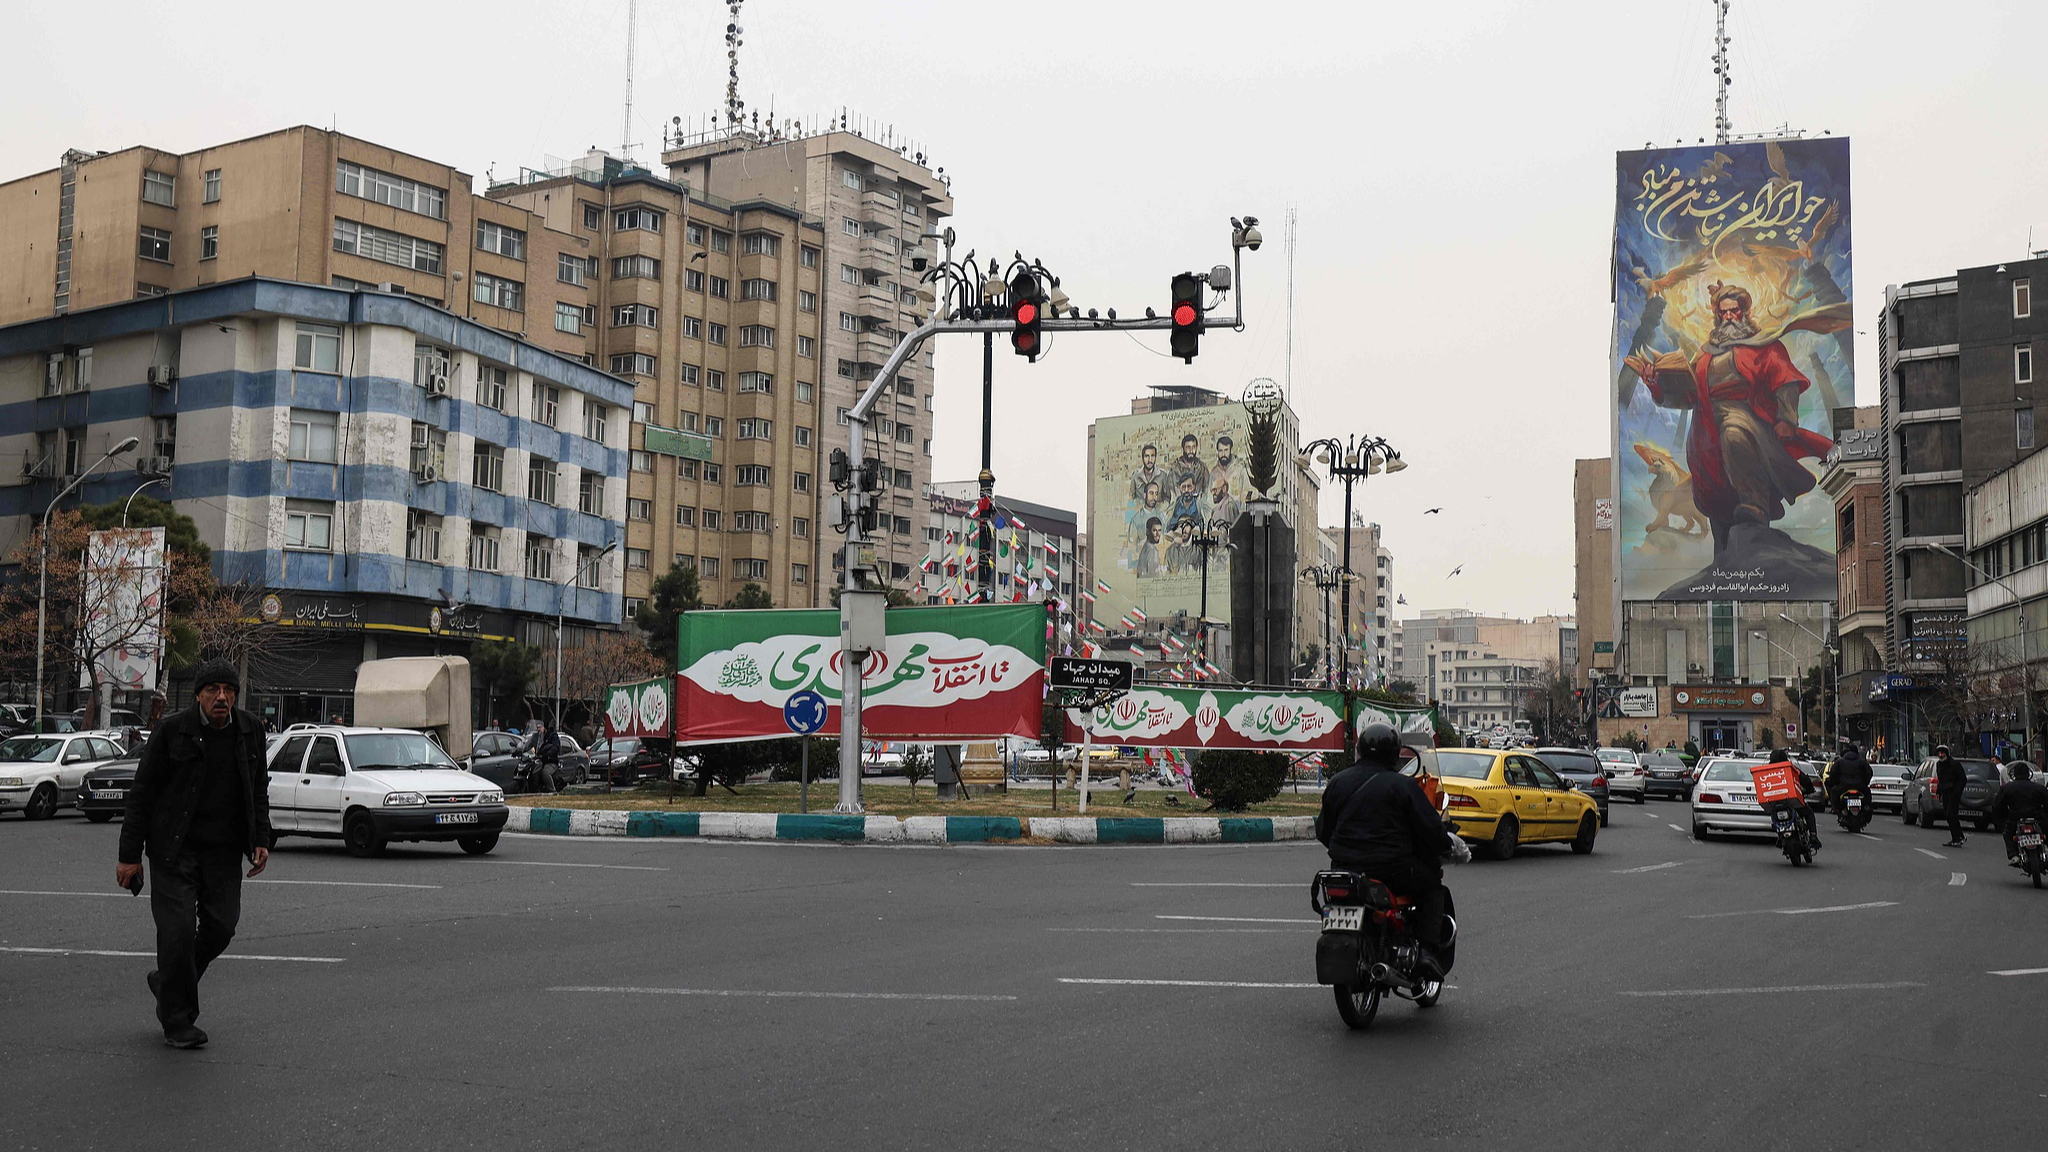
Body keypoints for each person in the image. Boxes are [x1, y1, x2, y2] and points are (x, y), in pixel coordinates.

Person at [115, 661, 271, 1050]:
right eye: (213, 690)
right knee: (178, 933)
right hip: (173, 850)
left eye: (228, 690)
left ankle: (167, 981)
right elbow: (142, 794)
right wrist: (128, 855)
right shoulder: (172, 730)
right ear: (198, 694)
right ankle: (178, 1022)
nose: (222, 697)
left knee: (222, 927)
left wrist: (262, 839)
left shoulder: (250, 730)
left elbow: (258, 790)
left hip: (222, 852)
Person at [1317, 722, 1470, 979]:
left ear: (1361, 750)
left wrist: (1348, 850)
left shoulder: (1337, 783)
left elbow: (1324, 831)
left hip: (1344, 868)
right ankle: (1425, 952)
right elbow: (1430, 830)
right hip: (1393, 869)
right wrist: (1447, 845)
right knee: (1433, 885)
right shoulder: (1402, 786)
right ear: (1394, 753)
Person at [1988, 760, 2048, 865]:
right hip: (2037, 818)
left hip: (2015, 818)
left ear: (2014, 774)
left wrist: (2002, 819)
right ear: (2028, 774)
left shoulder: (2007, 788)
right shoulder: (2039, 788)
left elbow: (1998, 806)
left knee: (2007, 834)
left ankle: (2014, 856)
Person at [1933, 745, 1967, 848]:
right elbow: (1940, 779)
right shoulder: (1939, 765)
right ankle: (1957, 836)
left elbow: (1962, 779)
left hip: (1954, 793)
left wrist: (1957, 791)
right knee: (1948, 815)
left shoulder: (1954, 764)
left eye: (1942, 753)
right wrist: (1938, 792)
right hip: (1945, 793)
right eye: (1939, 753)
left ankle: (1958, 837)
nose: (1940, 755)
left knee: (1951, 814)